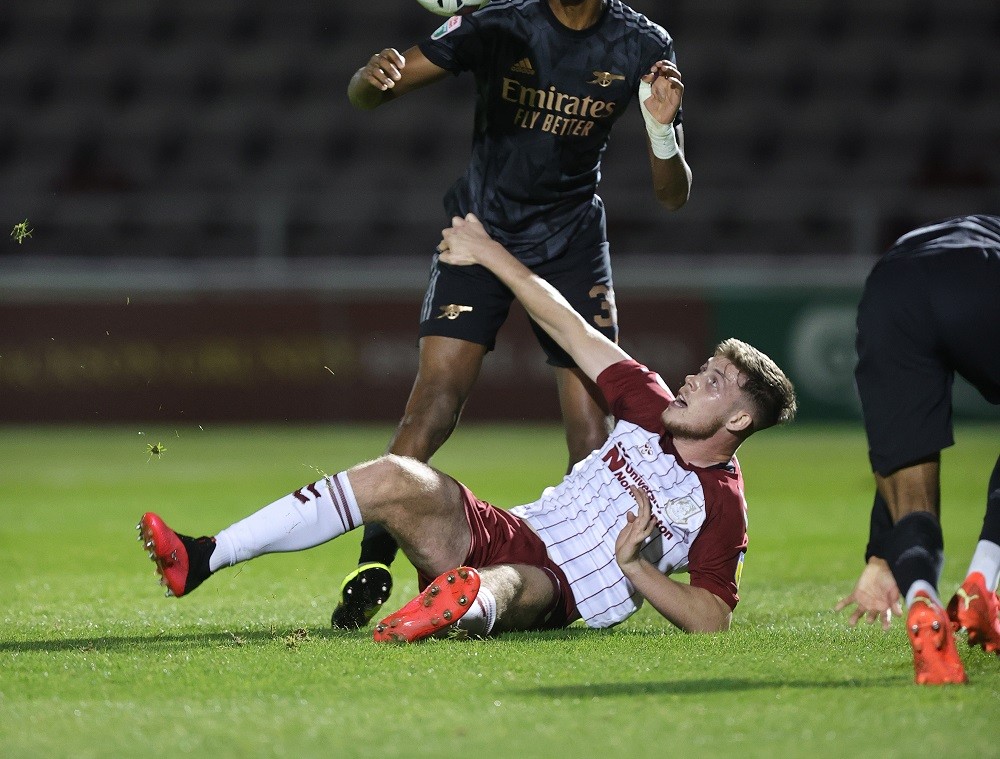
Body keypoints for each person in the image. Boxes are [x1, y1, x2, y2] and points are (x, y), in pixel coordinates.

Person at [139, 214, 795, 642]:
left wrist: (635, 568)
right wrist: (489, 253)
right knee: (395, 475)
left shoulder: (721, 507)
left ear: (738, 418)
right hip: (512, 526)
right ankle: (201, 557)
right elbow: (568, 323)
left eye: (711, 381)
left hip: (563, 587)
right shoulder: (650, 401)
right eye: (702, 368)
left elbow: (712, 619)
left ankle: (458, 604)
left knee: (516, 586)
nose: (690, 379)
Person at [334, 0, 692, 628]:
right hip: (481, 235)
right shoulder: (500, 23)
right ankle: (374, 558)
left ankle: (571, 579)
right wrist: (369, 84)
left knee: (591, 433)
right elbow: (380, 88)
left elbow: (672, 194)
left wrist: (663, 130)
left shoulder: (643, 46)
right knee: (434, 401)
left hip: (570, 247)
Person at [835, 214, 1000, 685]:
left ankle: (921, 596)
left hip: (890, 284)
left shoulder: (961, 230)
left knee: (910, 484)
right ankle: (982, 586)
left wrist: (880, 555)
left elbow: (899, 453)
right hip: (977, 276)